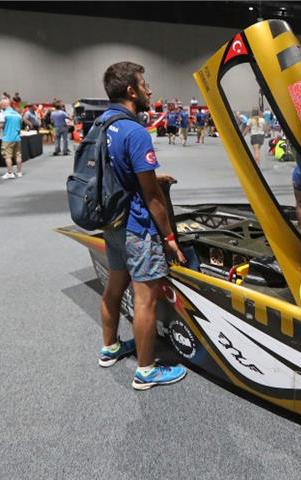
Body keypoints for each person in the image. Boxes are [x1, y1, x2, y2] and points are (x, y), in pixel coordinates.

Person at [97, 61, 187, 390]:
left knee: (113, 288)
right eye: (145, 84)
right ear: (131, 91)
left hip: (111, 221)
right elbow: (153, 197)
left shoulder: (103, 123)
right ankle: (146, 371)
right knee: (144, 299)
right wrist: (169, 238)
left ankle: (109, 349)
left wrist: (151, 177)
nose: (151, 90)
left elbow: (117, 171)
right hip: (136, 225)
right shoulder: (135, 132)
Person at [0, 99, 24, 179]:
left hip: (7, 138)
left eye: (1, 105)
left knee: (7, 156)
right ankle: (19, 172)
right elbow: (20, 126)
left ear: (4, 105)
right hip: (17, 138)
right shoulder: (18, 114)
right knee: (18, 155)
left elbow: (1, 126)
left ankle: (10, 173)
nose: (0, 107)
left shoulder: (3, 114)